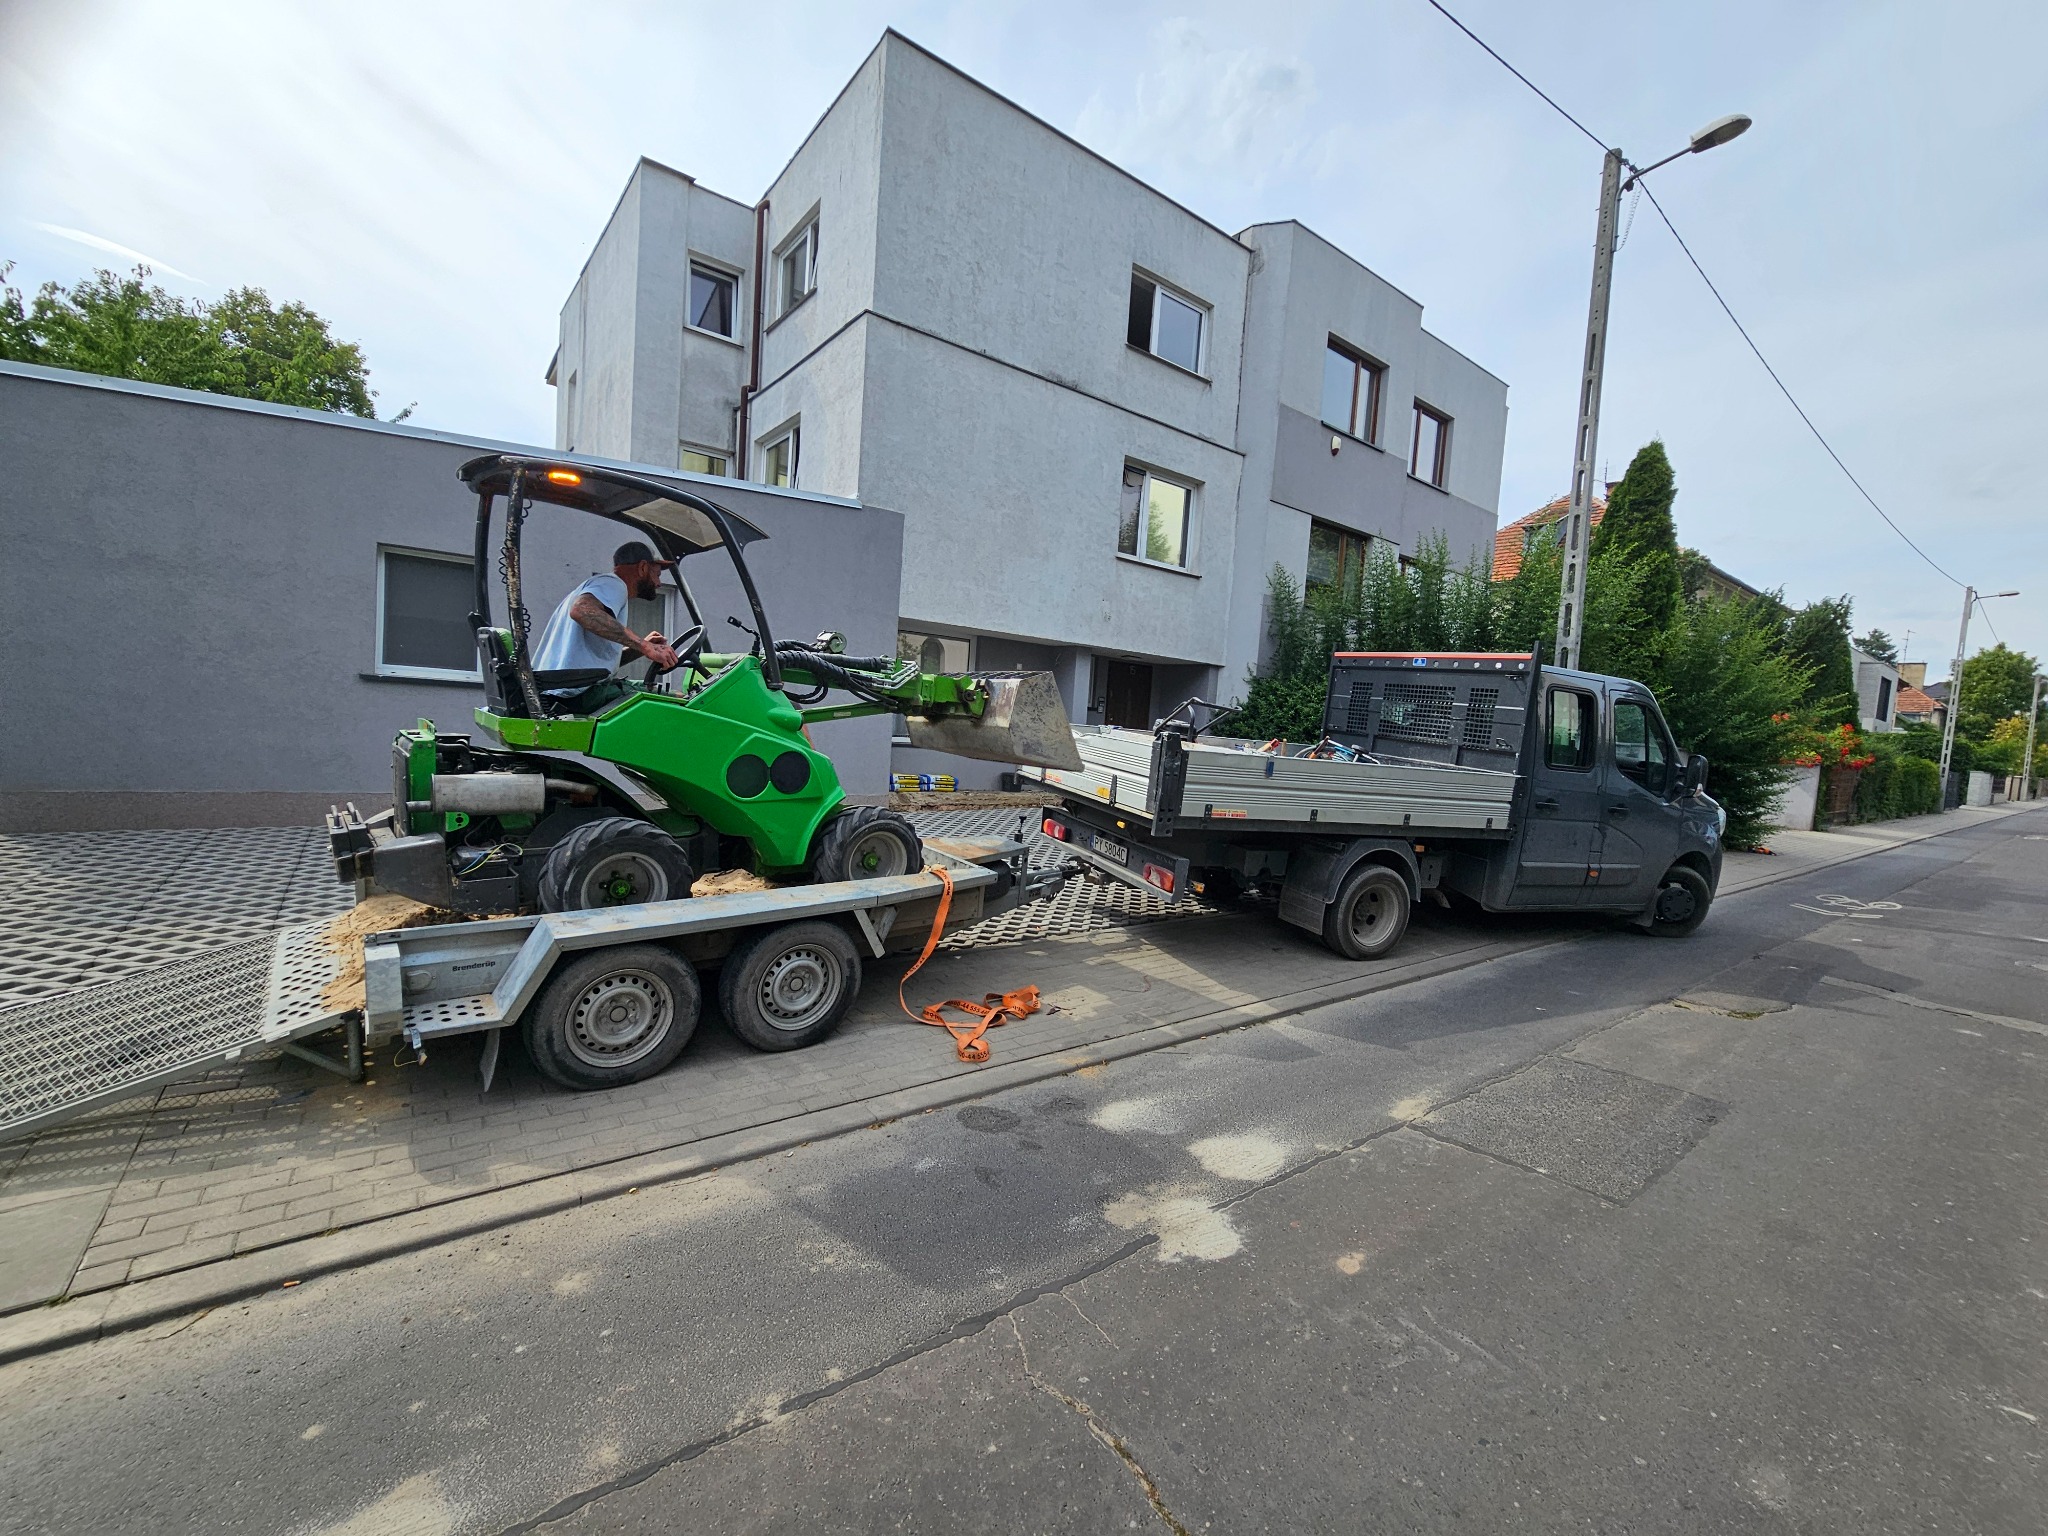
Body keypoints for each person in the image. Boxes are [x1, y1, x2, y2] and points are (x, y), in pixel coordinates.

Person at [531, 541, 680, 698]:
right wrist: (645, 646)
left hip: (561, 690)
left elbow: (600, 664)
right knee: (674, 706)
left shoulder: (594, 590)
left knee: (675, 696)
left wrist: (639, 649)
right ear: (643, 568)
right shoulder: (613, 584)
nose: (658, 583)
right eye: (657, 575)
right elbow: (581, 610)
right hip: (577, 694)